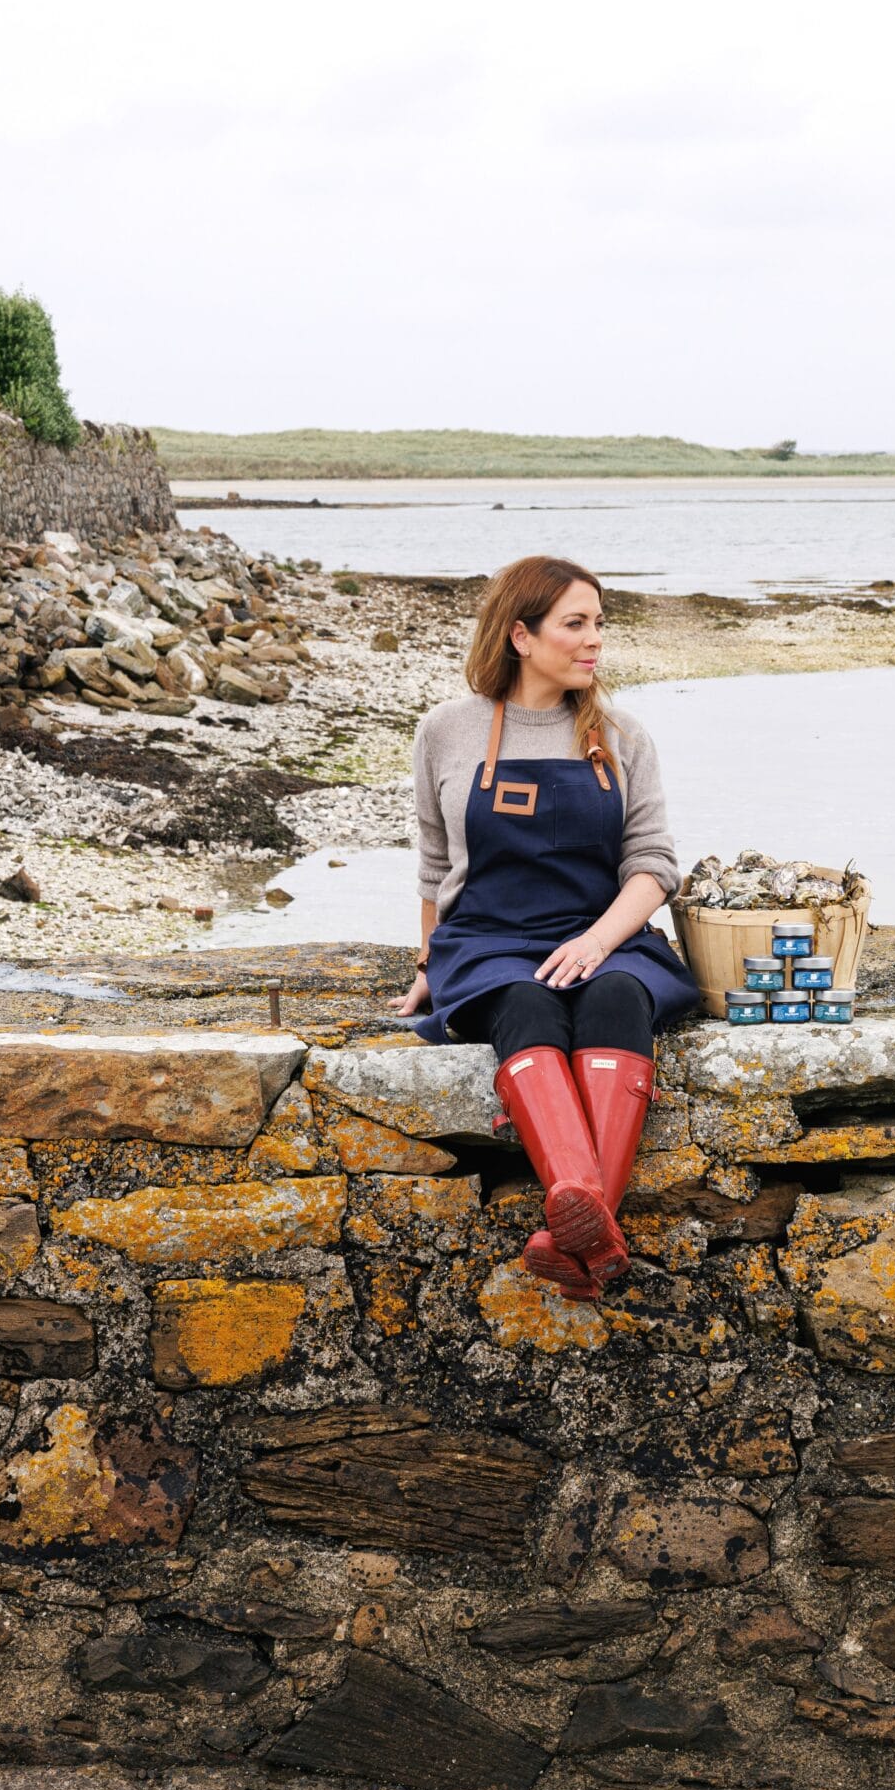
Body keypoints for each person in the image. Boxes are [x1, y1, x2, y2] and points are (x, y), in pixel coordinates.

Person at [392, 555, 698, 1299]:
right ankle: (592, 1224)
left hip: (605, 933)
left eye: (599, 624)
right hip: (487, 941)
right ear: (521, 636)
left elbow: (654, 865)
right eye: (576, 624)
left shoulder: (622, 737)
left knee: (617, 1002)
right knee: (528, 1007)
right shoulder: (447, 731)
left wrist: (599, 941)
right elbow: (436, 865)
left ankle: (574, 1225)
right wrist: (430, 964)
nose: (595, 641)